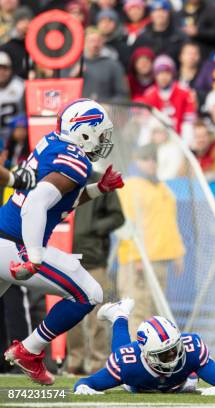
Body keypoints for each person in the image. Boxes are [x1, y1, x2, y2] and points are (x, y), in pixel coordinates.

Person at [0, 98, 124, 385]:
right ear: (84, 131)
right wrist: (34, 256)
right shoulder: (76, 160)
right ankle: (29, 350)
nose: (104, 140)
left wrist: (97, 189)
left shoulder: (54, 143)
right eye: (101, 133)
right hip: (13, 244)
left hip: (5, 238)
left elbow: (59, 200)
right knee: (89, 294)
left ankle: (28, 350)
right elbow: (35, 205)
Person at [73, 299, 215, 395]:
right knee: (120, 354)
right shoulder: (128, 363)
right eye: (164, 354)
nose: (173, 356)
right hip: (138, 385)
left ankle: (119, 314)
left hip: (179, 383)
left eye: (175, 348)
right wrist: (82, 387)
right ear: (147, 355)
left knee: (189, 384)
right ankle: (119, 315)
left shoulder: (191, 349)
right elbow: (87, 382)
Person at [116, 144, 185, 336]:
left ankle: (152, 357)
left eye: (154, 159)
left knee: (155, 312)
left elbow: (171, 222)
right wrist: (136, 256)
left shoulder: (162, 186)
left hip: (160, 258)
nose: (151, 163)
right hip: (138, 260)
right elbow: (127, 225)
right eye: (146, 159)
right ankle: (134, 355)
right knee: (136, 309)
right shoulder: (130, 186)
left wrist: (178, 253)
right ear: (136, 161)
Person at [67, 171, 125, 375]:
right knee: (67, 315)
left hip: (93, 259)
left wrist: (92, 228)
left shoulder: (101, 181)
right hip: (63, 257)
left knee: (97, 315)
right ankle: (74, 360)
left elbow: (118, 217)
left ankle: (98, 362)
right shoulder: (62, 178)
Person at [139, 55, 196, 139]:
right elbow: (146, 124)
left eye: (167, 73)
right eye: (160, 73)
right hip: (157, 140)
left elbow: (189, 122)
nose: (163, 77)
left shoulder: (184, 92)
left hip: (180, 140)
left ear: (172, 74)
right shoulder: (149, 94)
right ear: (155, 75)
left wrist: (185, 143)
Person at [72, 28, 128, 102]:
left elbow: (122, 94)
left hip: (105, 109)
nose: (95, 44)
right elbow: (63, 92)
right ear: (84, 42)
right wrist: (72, 77)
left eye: (98, 41)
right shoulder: (73, 64)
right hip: (80, 110)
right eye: (91, 41)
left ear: (103, 43)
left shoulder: (113, 65)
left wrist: (109, 106)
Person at [0, 51, 24, 141]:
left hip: (14, 134)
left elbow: (27, 111)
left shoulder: (20, 86)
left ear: (10, 69)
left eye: (4, 68)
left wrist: (21, 124)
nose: (1, 72)